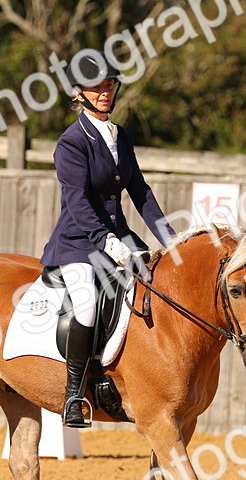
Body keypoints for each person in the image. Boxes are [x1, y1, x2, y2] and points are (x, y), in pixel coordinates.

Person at [39, 52, 176, 428]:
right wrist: (107, 240)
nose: (104, 92)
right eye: (96, 87)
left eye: (110, 85)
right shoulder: (71, 142)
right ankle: (74, 395)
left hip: (121, 237)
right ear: (78, 93)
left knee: (156, 284)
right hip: (78, 242)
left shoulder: (122, 137)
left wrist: (170, 239)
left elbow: (140, 191)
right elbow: (78, 201)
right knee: (86, 304)